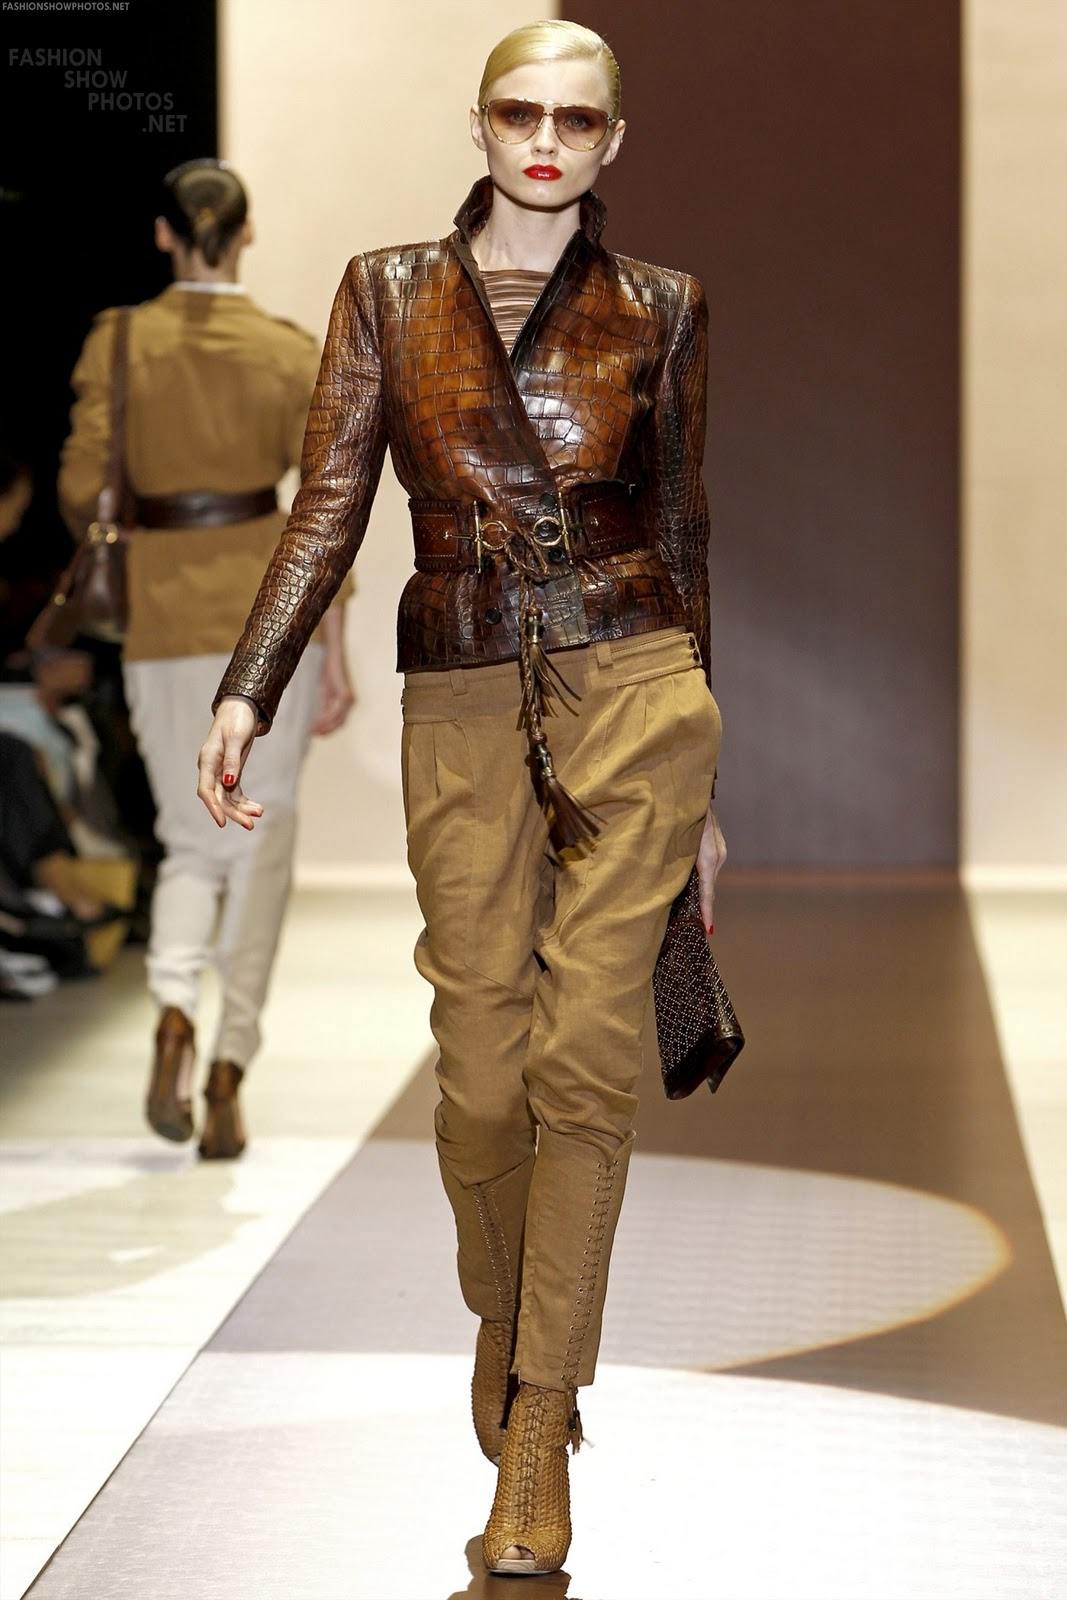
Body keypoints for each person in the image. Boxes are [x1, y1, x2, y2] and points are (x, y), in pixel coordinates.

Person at [198, 21, 726, 1574]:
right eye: (518, 112)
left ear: (613, 139)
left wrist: (709, 789)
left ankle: (539, 1424)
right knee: (483, 1072)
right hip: (463, 691)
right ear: (480, 124)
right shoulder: (387, 291)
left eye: (576, 119)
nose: (544, 140)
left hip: (633, 682)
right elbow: (327, 505)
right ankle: (508, 1325)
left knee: (584, 1060)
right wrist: (248, 685)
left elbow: (682, 535)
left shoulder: (662, 306)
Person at [58, 158, 355, 1159]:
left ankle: (175, 1009)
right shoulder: (285, 351)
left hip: (160, 614)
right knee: (260, 840)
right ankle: (229, 1065)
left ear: (163, 233)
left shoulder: (121, 340)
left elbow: (77, 488)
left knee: (190, 841)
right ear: (247, 233)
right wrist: (336, 646)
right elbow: (325, 507)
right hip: (268, 618)